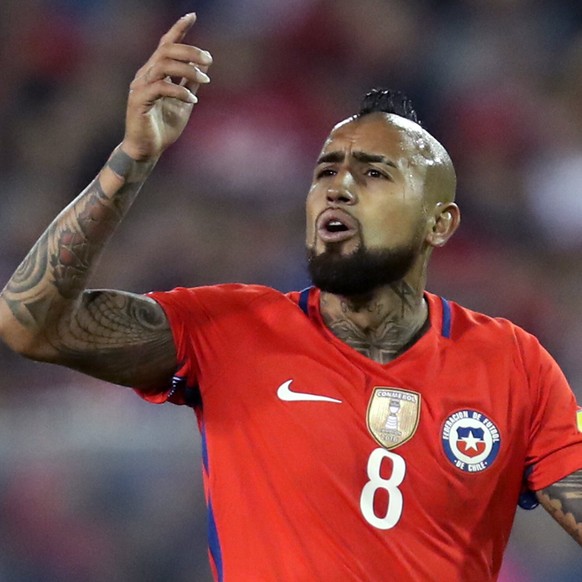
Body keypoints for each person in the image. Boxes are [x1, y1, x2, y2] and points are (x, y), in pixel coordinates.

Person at [1, 12, 582, 582]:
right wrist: (133, 157)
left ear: (440, 223)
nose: (339, 187)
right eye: (326, 170)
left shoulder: (515, 365)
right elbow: (32, 323)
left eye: (374, 173)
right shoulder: (230, 328)